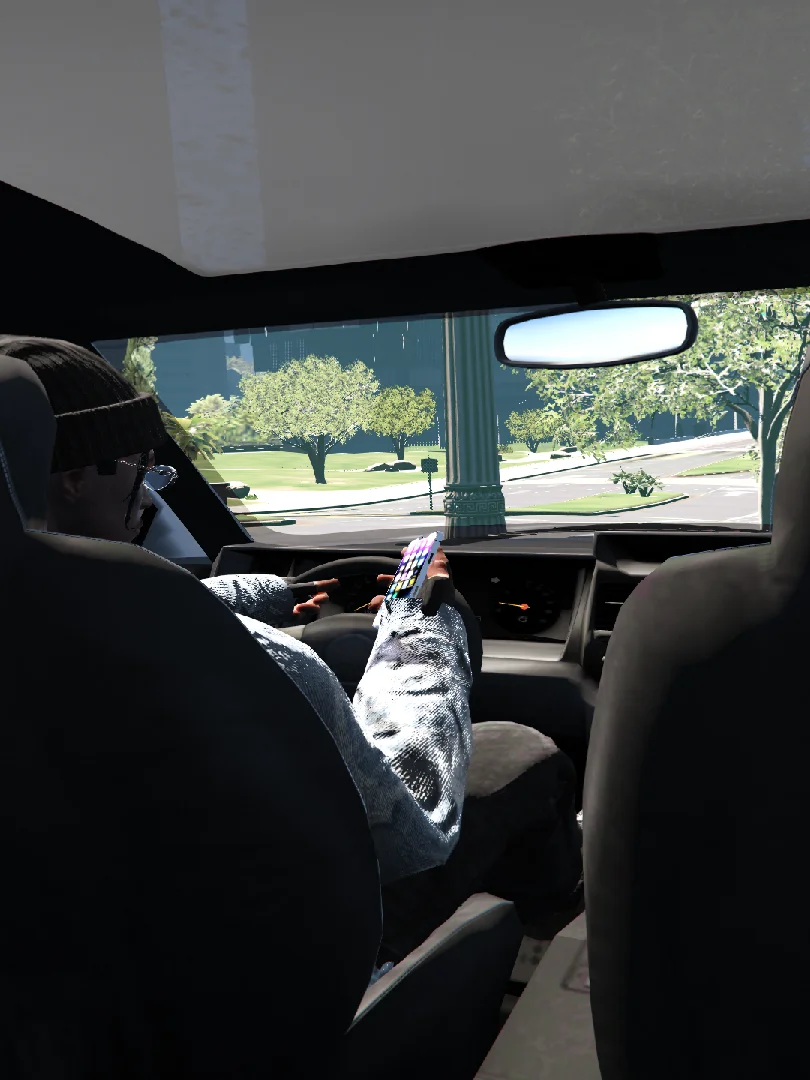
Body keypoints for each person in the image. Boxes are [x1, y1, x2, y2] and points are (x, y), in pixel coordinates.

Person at [2, 334, 582, 966]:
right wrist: (418, 635)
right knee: (521, 750)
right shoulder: (248, 663)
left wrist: (268, 594)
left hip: (79, 965)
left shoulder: (45, 632)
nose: (146, 497)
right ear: (74, 478)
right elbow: (413, 831)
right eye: (142, 471)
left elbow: (101, 598)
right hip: (278, 974)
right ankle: (552, 951)